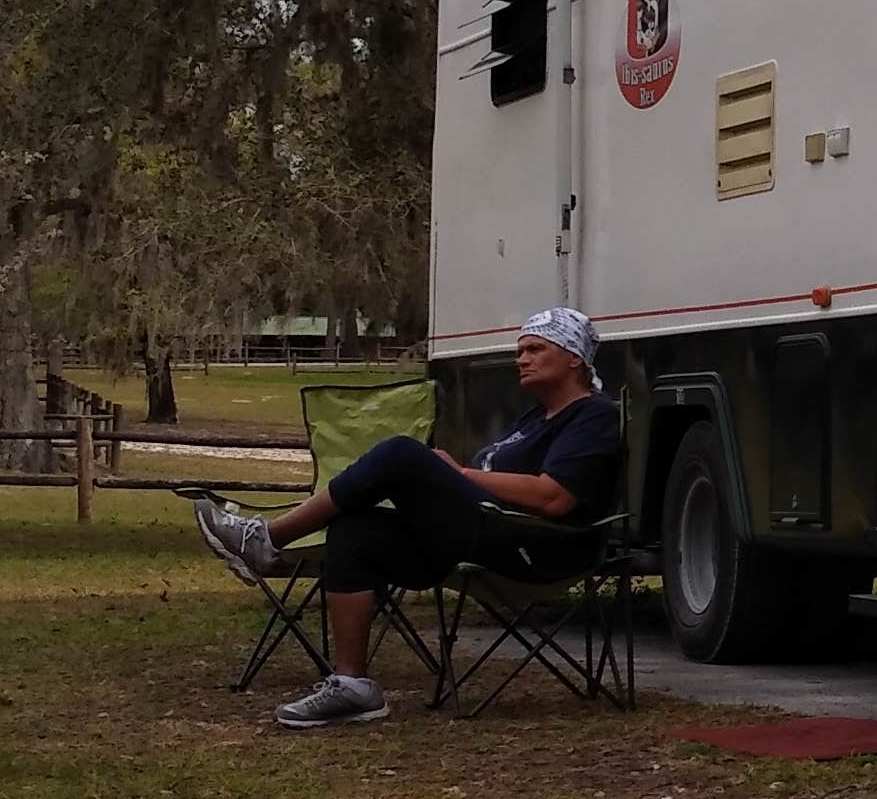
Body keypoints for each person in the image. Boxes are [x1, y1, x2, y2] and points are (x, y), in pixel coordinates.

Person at [197, 308, 624, 726]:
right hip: (489, 534)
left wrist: (456, 473)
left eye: (535, 348)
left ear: (573, 357)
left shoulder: (593, 415)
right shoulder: (535, 418)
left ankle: (267, 540)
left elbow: (554, 498)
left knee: (401, 455)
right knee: (355, 529)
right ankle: (352, 687)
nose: (521, 358)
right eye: (520, 350)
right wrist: (455, 476)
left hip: (540, 546)